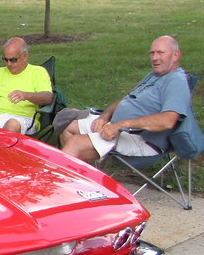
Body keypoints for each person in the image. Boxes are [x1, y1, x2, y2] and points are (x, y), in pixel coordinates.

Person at [59, 35, 191, 162]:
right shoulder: (154, 76)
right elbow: (126, 101)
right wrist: (104, 116)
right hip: (119, 126)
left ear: (176, 55)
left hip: (142, 138)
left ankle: (63, 182)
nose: (155, 58)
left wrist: (120, 125)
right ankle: (83, 177)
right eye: (152, 53)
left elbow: (167, 121)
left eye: (160, 53)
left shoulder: (176, 81)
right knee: (68, 126)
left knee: (76, 143)